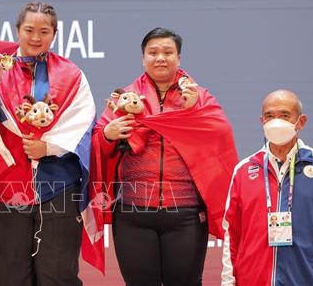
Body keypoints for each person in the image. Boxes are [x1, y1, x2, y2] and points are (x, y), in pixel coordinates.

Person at [0, 2, 97, 286]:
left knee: (58, 276)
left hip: (58, 190)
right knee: (10, 277)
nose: (35, 37)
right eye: (29, 30)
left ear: (54, 35)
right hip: (8, 190)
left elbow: (83, 123)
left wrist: (49, 147)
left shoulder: (72, 75)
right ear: (17, 31)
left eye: (44, 31)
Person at [91, 27, 238, 286]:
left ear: (178, 58)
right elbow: (98, 145)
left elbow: (220, 135)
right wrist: (107, 135)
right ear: (143, 58)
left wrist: (192, 113)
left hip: (186, 214)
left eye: (168, 52)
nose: (160, 58)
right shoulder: (124, 98)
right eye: (153, 52)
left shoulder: (199, 97)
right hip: (133, 214)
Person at [221, 90, 313, 286]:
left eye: (284, 115)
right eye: (269, 116)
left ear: (301, 122)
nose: (276, 122)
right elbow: (232, 234)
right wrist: (228, 282)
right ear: (261, 122)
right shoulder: (244, 170)